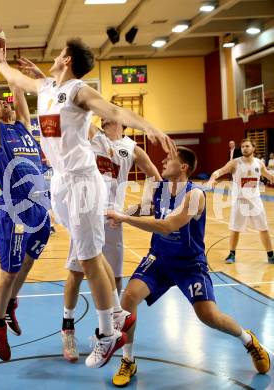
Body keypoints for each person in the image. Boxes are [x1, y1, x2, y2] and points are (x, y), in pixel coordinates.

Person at [0, 38, 176, 368]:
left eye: (59, 54)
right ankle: (117, 314)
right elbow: (16, 79)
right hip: (59, 182)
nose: (55, 57)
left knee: (87, 259)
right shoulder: (46, 86)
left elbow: (112, 111)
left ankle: (107, 333)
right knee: (91, 254)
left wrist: (147, 125)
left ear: (67, 59)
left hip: (82, 179)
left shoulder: (78, 91)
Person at [107, 146, 270, 387]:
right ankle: (128, 360)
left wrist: (125, 219)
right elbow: (149, 209)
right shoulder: (160, 189)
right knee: (128, 297)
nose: (163, 161)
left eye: (169, 158)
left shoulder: (195, 196)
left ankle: (248, 340)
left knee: (209, 316)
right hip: (159, 259)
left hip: (189, 264)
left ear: (183, 167)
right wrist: (118, 212)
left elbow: (169, 225)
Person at [60, 118, 162, 362]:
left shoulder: (133, 147)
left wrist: (140, 206)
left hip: (114, 218)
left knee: (114, 278)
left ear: (121, 121)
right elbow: (77, 112)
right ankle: (68, 329)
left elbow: (155, 176)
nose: (104, 115)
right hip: (86, 212)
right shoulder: (95, 136)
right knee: (76, 273)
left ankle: (104, 331)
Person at [0, 42, 51, 362]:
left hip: (39, 206)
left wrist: (6, 65)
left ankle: (11, 304)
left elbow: (18, 93)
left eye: (4, 101)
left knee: (33, 253)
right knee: (8, 272)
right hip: (14, 209)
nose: (2, 104)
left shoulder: (23, 126)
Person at [209, 138, 274, 264]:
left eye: (247, 146)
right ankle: (232, 254)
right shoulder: (235, 163)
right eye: (243, 146)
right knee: (235, 228)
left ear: (253, 148)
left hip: (255, 200)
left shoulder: (259, 163)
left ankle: (270, 254)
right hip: (240, 200)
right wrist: (213, 178)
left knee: (263, 228)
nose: (244, 148)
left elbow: (268, 175)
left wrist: (272, 177)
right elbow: (220, 171)